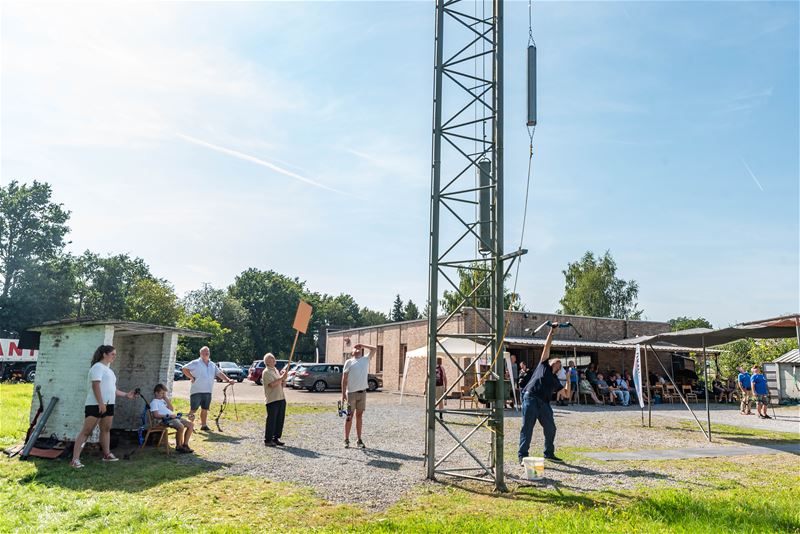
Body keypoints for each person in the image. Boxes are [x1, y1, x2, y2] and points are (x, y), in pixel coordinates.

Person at [71, 345, 138, 468]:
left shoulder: (109, 370)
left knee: (106, 429)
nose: (115, 356)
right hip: (95, 404)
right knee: (87, 431)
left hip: (109, 404)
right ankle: (75, 460)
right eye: (112, 354)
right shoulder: (97, 367)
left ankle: (106, 455)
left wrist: (126, 395)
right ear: (104, 354)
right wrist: (100, 403)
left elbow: (112, 389)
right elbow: (95, 386)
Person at [518, 324, 564, 464]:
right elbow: (547, 346)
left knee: (551, 428)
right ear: (551, 362)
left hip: (543, 403)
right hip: (530, 398)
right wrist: (552, 331)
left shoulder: (555, 380)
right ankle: (522, 455)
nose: (558, 362)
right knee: (527, 427)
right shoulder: (543, 365)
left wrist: (568, 379)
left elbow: (566, 394)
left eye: (560, 363)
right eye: (557, 361)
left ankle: (549, 453)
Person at [182, 346, 234, 431]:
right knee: (193, 409)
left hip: (208, 391)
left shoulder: (212, 364)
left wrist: (228, 380)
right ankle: (190, 426)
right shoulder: (196, 363)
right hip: (196, 390)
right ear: (200, 353)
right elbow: (184, 368)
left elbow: (219, 373)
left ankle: (204, 425)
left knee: (205, 409)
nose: (206, 353)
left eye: (208, 352)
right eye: (204, 352)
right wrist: (191, 377)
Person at [342, 343, 376, 448]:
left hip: (362, 392)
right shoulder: (349, 362)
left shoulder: (366, 359)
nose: (357, 349)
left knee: (359, 416)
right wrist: (343, 393)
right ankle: (346, 439)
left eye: (359, 348)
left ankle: (359, 440)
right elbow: (344, 379)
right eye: (355, 348)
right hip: (351, 393)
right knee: (349, 416)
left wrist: (363, 345)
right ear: (351, 352)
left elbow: (374, 348)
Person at [150, 383, 194, 453]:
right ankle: (179, 446)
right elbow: (156, 415)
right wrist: (169, 416)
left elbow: (171, 409)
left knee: (191, 425)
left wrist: (166, 399)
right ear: (156, 393)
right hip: (167, 420)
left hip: (174, 417)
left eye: (164, 393)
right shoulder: (154, 402)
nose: (163, 395)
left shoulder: (163, 400)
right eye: (162, 393)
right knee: (180, 426)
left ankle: (185, 445)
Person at [262, 353, 288, 447]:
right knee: (272, 420)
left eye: (273, 358)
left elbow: (282, 384)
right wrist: (282, 378)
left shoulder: (275, 370)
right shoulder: (266, 372)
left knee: (280, 420)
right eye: (272, 358)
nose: (274, 359)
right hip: (272, 399)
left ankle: (276, 438)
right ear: (267, 362)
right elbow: (271, 385)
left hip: (281, 397)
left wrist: (284, 379)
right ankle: (268, 440)